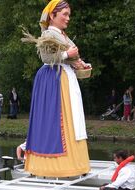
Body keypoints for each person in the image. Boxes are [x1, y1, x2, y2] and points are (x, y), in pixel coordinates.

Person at [24, 0, 90, 177]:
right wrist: (68, 54)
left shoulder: (62, 35)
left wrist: (78, 63)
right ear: (52, 16)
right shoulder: (48, 34)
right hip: (54, 79)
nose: (68, 18)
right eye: (65, 14)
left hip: (65, 76)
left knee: (73, 118)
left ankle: (76, 163)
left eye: (69, 14)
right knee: (59, 119)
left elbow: (67, 58)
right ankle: (55, 166)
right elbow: (46, 58)